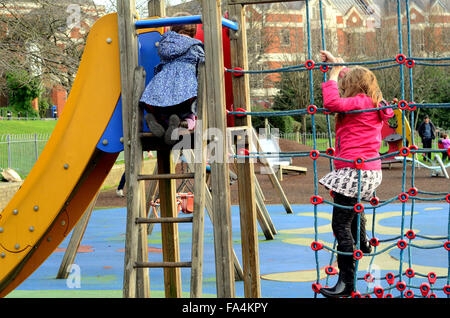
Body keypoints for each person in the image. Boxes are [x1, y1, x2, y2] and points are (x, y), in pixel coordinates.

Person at [317, 50, 394, 298]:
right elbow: (354, 80)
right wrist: (338, 64)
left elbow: (330, 103)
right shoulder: (372, 103)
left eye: (344, 84)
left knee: (340, 224)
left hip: (354, 170)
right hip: (368, 171)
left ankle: (346, 283)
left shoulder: (360, 102)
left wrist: (332, 74)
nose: (341, 86)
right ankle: (362, 242)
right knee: (352, 211)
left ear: (355, 87)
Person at [140, 12, 205, 145]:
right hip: (184, 84)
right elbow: (203, 64)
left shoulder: (165, 44)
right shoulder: (195, 45)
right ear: (192, 30)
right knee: (189, 112)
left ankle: (156, 120)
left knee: (162, 110)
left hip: (162, 83)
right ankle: (181, 124)